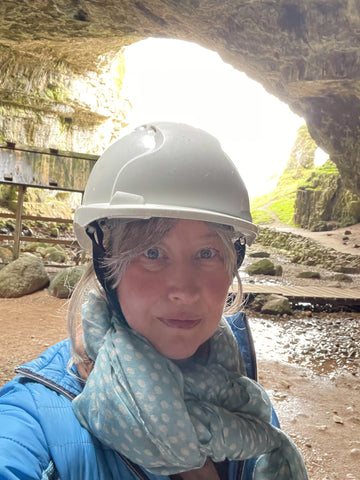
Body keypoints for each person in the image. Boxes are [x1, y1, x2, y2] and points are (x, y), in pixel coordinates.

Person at [0, 122, 308, 480]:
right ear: (106, 264)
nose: (184, 291)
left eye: (206, 252)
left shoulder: (243, 398)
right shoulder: (37, 422)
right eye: (151, 251)